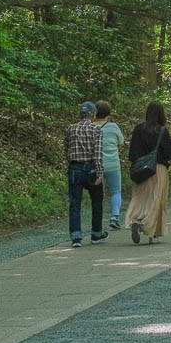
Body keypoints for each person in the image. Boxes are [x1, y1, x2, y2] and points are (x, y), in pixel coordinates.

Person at [125, 101, 171, 244]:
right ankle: (150, 231)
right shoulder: (162, 131)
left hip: (141, 170)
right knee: (156, 200)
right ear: (162, 114)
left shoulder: (138, 129)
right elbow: (169, 153)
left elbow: (132, 154)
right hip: (159, 170)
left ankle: (135, 219)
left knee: (140, 198)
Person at [65, 102, 107, 248]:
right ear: (93, 114)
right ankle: (96, 233)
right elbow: (98, 154)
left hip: (75, 168)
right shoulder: (96, 130)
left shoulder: (71, 128)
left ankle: (76, 236)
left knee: (75, 203)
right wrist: (100, 172)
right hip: (91, 168)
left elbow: (66, 148)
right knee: (97, 202)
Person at [96, 100, 126, 230]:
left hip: (97, 165)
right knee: (116, 191)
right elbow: (121, 142)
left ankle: (98, 219)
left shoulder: (91, 127)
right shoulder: (113, 127)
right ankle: (114, 217)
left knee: (98, 193)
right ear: (108, 113)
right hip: (113, 164)